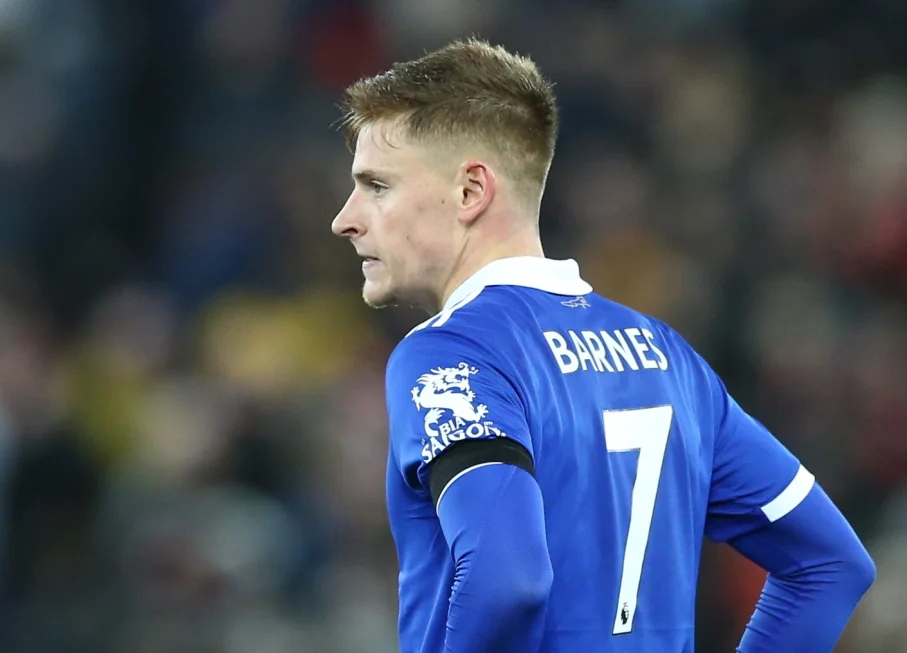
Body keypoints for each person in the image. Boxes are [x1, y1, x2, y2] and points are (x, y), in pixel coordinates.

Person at [330, 37, 875, 653]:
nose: (345, 218)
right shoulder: (670, 359)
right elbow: (830, 566)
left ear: (470, 192)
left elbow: (506, 580)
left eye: (376, 185)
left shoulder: (451, 355)